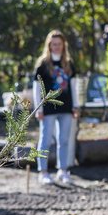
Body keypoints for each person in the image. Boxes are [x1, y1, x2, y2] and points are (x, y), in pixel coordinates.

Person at [32, 29, 79, 185]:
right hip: (47, 108)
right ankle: (43, 171)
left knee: (64, 140)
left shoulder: (68, 64)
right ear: (49, 46)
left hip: (66, 108)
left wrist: (76, 106)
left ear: (63, 45)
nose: (57, 47)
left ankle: (63, 170)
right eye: (54, 44)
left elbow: (73, 86)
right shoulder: (43, 64)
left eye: (59, 44)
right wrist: (38, 109)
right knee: (45, 139)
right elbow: (36, 88)